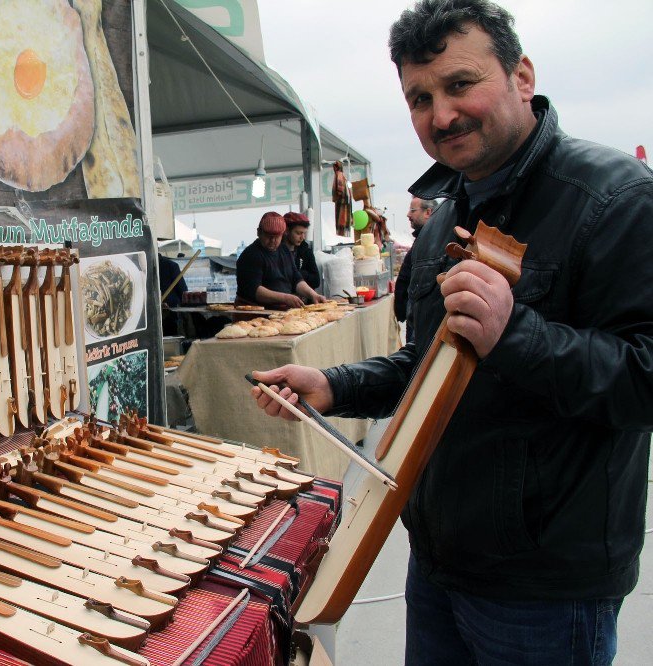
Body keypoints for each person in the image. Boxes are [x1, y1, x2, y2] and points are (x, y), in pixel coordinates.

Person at [250, 1, 653, 664]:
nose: (440, 116)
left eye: (460, 85)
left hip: (544, 588)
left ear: (522, 76)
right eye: (419, 98)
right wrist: (332, 384)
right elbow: (426, 369)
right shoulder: (440, 226)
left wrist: (513, 332)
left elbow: (644, 378)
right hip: (437, 564)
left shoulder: (614, 199)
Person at [236, 211, 325, 308]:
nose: (273, 241)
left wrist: (313, 295)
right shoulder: (251, 255)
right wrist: (285, 298)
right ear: (259, 232)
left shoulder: (284, 250)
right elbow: (255, 290)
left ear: (283, 234)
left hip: (279, 311)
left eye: (277, 237)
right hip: (253, 314)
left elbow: (296, 279)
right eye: (269, 236)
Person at [393, 198, 438, 335]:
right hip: (417, 315)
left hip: (421, 317)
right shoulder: (425, 239)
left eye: (413, 210)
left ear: (428, 212)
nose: (408, 214)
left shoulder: (432, 240)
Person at [283, 212, 321, 290]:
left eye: (304, 233)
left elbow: (316, 281)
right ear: (286, 231)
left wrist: (298, 273)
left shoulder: (306, 251)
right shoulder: (277, 252)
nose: (302, 237)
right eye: (298, 233)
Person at [157, 253, 187, 336]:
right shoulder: (171, 265)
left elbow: (183, 292)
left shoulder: (170, 266)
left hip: (169, 314)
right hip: (165, 313)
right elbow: (183, 291)